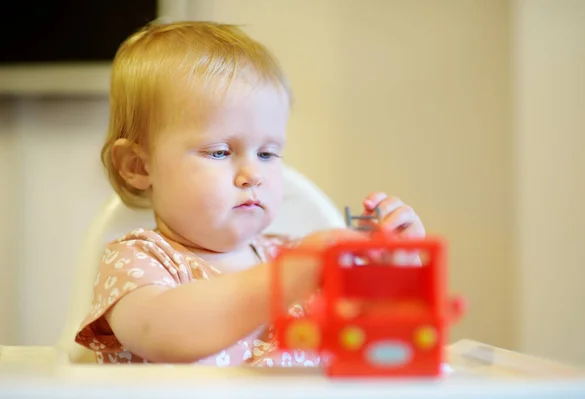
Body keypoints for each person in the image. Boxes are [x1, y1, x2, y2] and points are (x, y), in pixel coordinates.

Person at [74, 20, 426, 366]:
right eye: (219, 152)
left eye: (267, 154)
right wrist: (289, 276)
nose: (252, 174)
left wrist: (396, 270)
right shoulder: (139, 261)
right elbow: (161, 333)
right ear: (139, 166)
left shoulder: (292, 258)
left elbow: (378, 344)